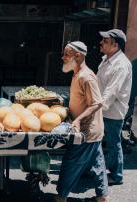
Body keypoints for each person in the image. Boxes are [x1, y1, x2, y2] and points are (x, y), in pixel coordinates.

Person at [55, 41, 108, 202]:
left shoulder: (86, 76)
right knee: (97, 165)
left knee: (71, 163)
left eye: (66, 54)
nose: (63, 57)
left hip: (87, 131)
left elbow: (97, 103)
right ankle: (102, 197)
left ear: (77, 56)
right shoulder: (77, 73)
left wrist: (77, 120)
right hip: (93, 132)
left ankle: (61, 196)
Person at [96, 29, 132, 185]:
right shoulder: (106, 59)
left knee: (112, 143)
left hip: (112, 112)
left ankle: (116, 176)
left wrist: (95, 109)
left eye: (105, 41)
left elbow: (112, 91)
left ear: (115, 45)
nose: (101, 43)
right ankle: (92, 169)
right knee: (96, 142)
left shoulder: (121, 65)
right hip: (101, 108)